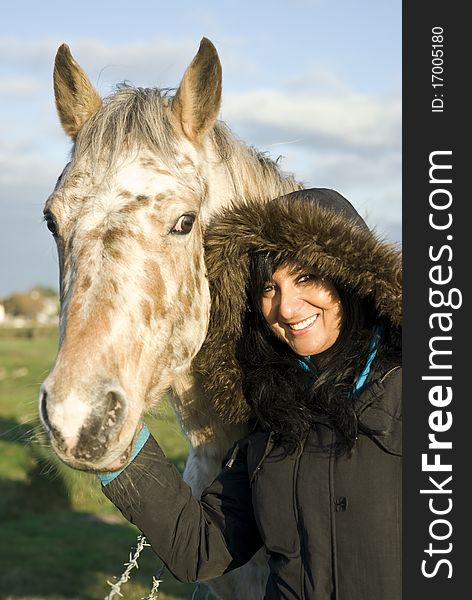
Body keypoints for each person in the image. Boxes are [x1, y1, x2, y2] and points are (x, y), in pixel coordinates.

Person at [99, 188, 402, 600]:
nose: (288, 308)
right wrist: (116, 447)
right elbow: (201, 550)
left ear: (351, 276)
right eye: (269, 288)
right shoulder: (271, 422)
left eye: (306, 278)